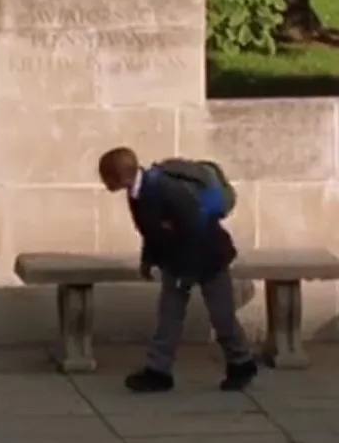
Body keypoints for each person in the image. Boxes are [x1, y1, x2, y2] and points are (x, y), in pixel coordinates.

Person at [97, 146, 258, 393]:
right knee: (169, 315)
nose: (102, 181)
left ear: (117, 175)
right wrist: (148, 261)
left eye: (104, 175)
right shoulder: (137, 192)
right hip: (175, 260)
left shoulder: (165, 188)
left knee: (221, 315)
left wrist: (187, 271)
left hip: (209, 258)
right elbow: (150, 231)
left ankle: (241, 363)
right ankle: (158, 371)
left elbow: (196, 228)